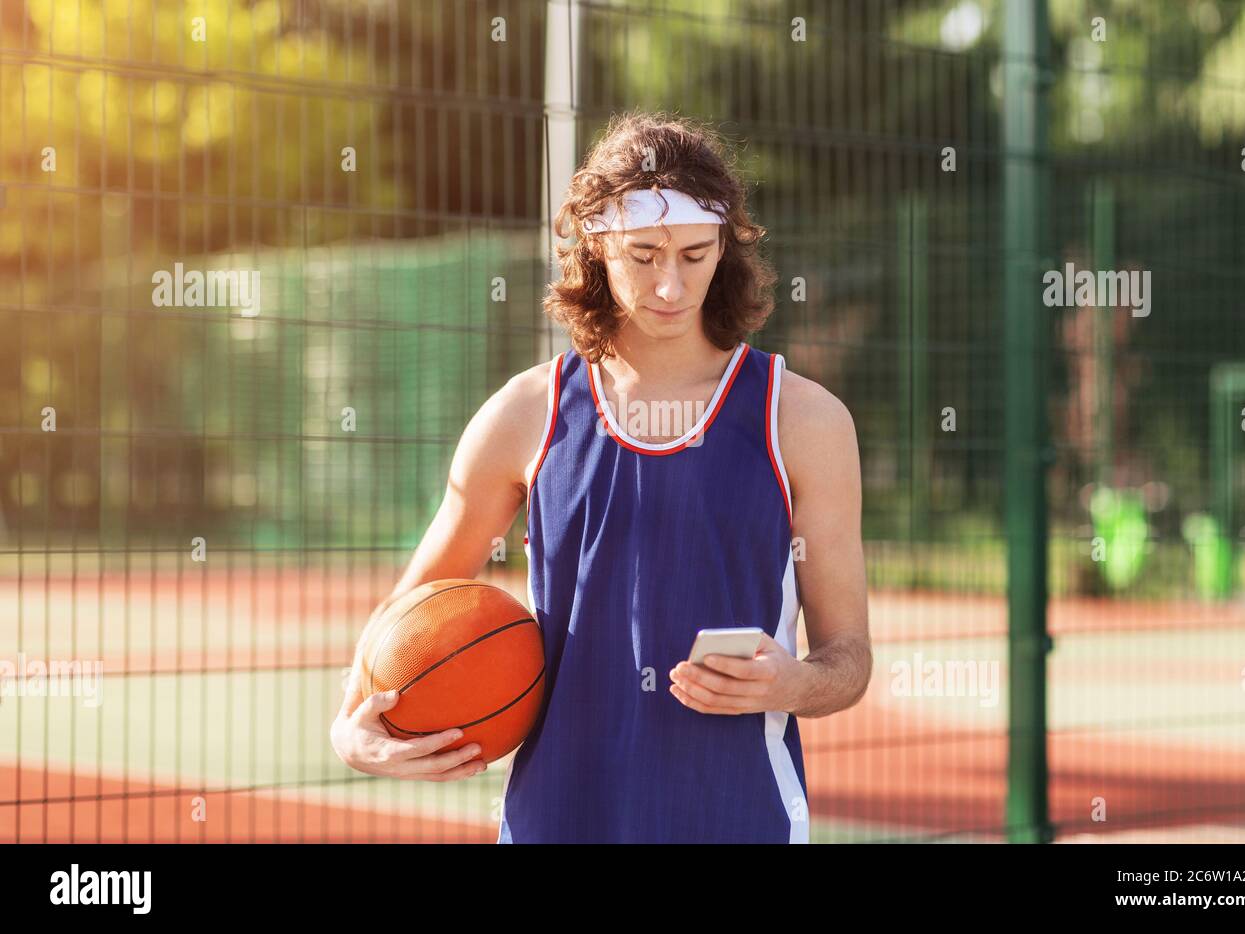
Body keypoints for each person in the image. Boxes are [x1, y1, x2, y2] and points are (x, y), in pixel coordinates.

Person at [330, 112, 872, 843]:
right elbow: (403, 623)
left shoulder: (802, 421)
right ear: (595, 243)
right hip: (557, 820)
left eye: (694, 253)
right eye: (643, 254)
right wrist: (352, 732)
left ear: (726, 247)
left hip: (737, 818)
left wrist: (794, 683)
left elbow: (849, 660)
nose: (671, 284)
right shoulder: (526, 414)